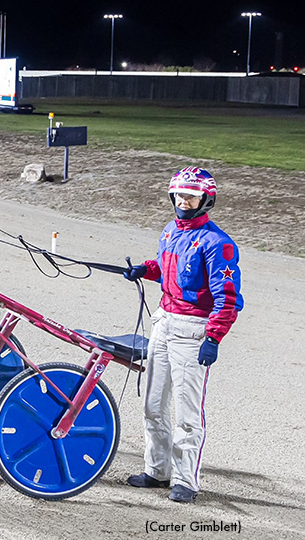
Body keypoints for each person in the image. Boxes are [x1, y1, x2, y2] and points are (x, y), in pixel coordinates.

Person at [123, 167, 243, 503]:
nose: (183, 201)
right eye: (178, 195)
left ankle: (186, 481)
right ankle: (156, 470)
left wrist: (214, 338)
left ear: (206, 200)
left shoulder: (218, 244)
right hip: (162, 323)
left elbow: (228, 298)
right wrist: (144, 270)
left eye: (190, 196)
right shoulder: (169, 232)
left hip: (193, 331)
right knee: (153, 405)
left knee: (188, 413)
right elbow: (165, 267)